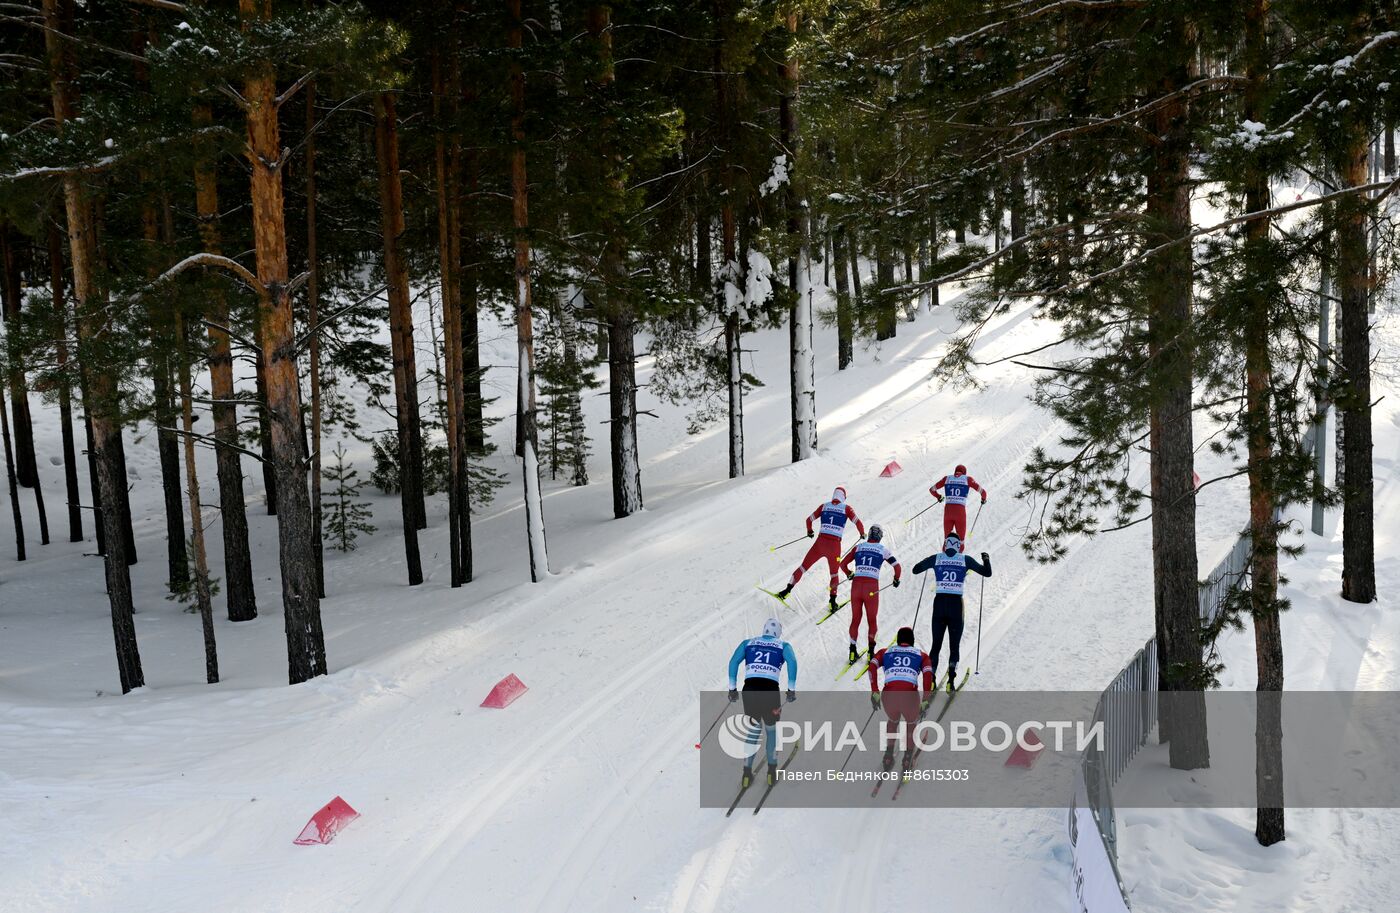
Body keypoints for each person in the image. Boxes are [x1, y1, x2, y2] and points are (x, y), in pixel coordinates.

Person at [911, 534, 991, 689]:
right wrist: (986, 559)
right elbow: (987, 573)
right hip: (956, 605)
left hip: (939, 604)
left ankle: (932, 678)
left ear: (945, 544)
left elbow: (915, 570)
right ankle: (951, 681)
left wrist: (929, 563)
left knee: (936, 645)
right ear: (959, 545)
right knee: (954, 646)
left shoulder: (937, 558)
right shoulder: (965, 559)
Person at [727, 617, 798, 787]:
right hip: (769, 691)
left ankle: (746, 773)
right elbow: (792, 662)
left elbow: (733, 662)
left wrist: (732, 688)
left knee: (753, 732)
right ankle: (771, 772)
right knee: (771, 731)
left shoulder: (748, 642)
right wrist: (791, 689)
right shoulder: (783, 645)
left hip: (749, 690)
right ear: (778, 634)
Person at [776, 486, 865, 612]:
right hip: (834, 546)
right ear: (843, 497)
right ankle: (832, 602)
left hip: (820, 543)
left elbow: (809, 520)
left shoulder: (823, 506)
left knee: (803, 567)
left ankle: (786, 591)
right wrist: (862, 534)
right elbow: (858, 523)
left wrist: (810, 531)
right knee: (834, 575)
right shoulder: (846, 508)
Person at [867, 626, 934, 772]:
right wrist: (925, 699)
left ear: (898, 641)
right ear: (912, 641)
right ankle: (907, 759)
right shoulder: (921, 655)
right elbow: (928, 675)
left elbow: (871, 665)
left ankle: (888, 755)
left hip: (888, 696)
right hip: (909, 697)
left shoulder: (885, 652)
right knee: (911, 723)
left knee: (893, 721)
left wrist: (874, 691)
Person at [838, 523, 901, 665]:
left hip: (856, 586)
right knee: (872, 620)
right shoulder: (882, 550)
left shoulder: (859, 547)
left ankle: (852, 651)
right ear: (879, 537)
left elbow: (842, 564)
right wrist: (896, 579)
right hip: (871, 588)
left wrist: (849, 574)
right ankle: (871, 652)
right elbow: (897, 566)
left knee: (855, 619)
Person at [929, 464, 987, 544]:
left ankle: (945, 554)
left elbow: (932, 490)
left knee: (947, 541)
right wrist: (983, 500)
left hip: (948, 512)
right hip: (960, 513)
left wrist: (938, 497)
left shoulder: (947, 478)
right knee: (961, 542)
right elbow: (983, 492)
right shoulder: (968, 479)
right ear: (964, 473)